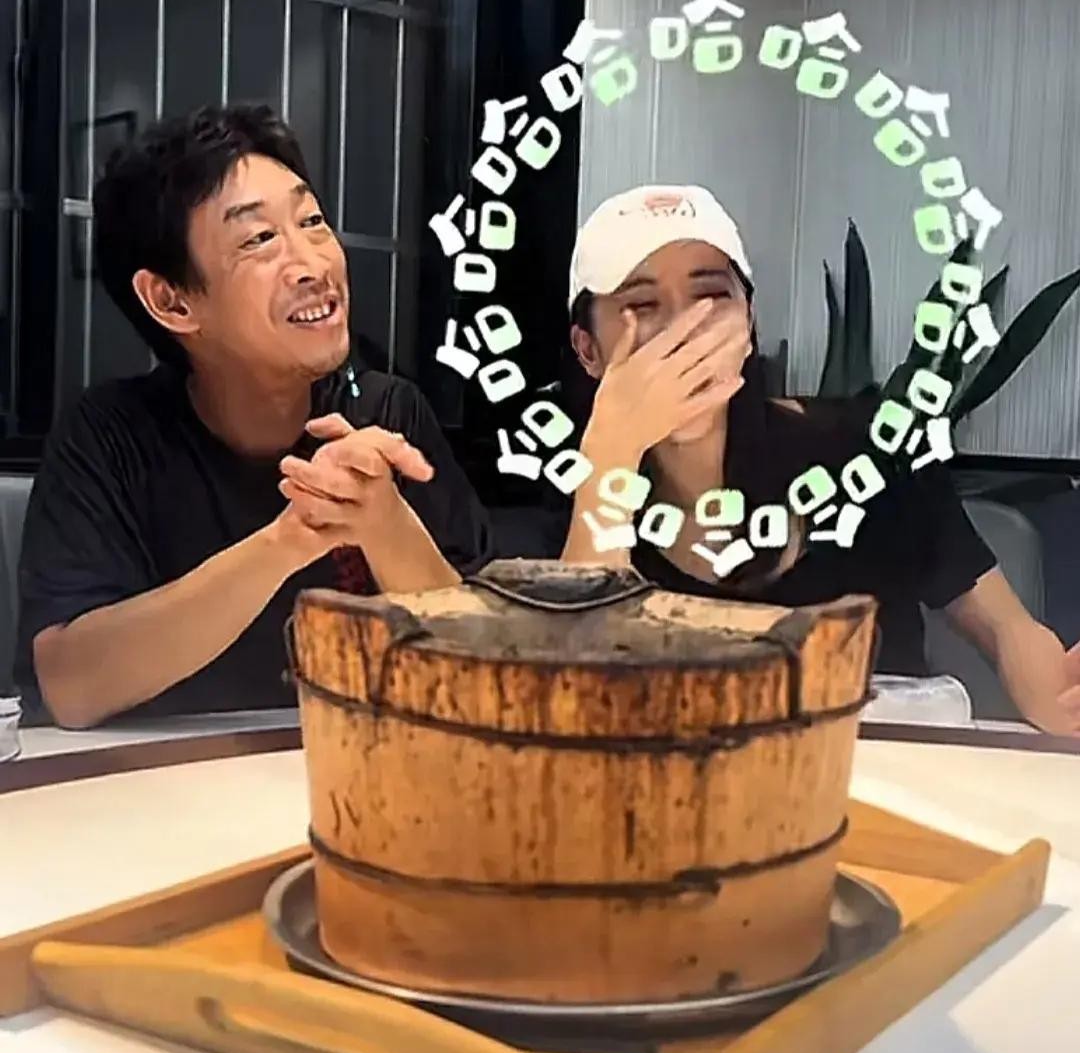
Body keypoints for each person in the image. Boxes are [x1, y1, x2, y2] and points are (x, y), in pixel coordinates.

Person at [16, 105, 490, 728]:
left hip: (354, 767)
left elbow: (482, 673)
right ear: (172, 301)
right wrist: (285, 542)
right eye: (259, 239)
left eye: (311, 221)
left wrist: (384, 521)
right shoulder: (109, 437)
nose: (315, 265)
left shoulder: (385, 415)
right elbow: (71, 686)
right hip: (164, 778)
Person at [550, 184, 1080, 736]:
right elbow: (572, 694)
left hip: (882, 776)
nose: (685, 332)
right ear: (588, 349)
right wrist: (610, 458)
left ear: (748, 323)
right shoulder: (562, 491)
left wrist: (1052, 689)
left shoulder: (870, 453)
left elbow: (1005, 627)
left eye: (710, 297)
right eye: (641, 306)